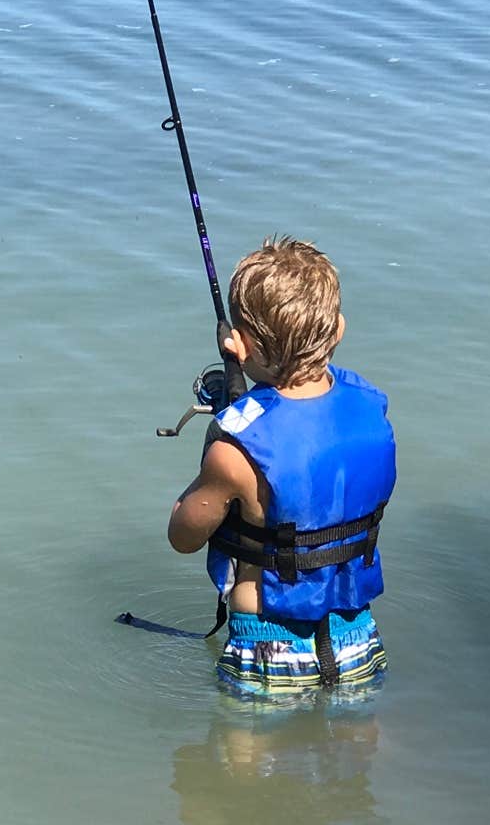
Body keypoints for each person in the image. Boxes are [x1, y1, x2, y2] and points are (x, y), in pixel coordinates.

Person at [166, 236, 396, 698]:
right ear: (338, 330)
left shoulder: (235, 451)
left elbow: (183, 537)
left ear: (241, 346)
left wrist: (230, 425)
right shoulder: (371, 408)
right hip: (355, 636)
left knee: (243, 758)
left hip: (269, 648)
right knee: (355, 748)